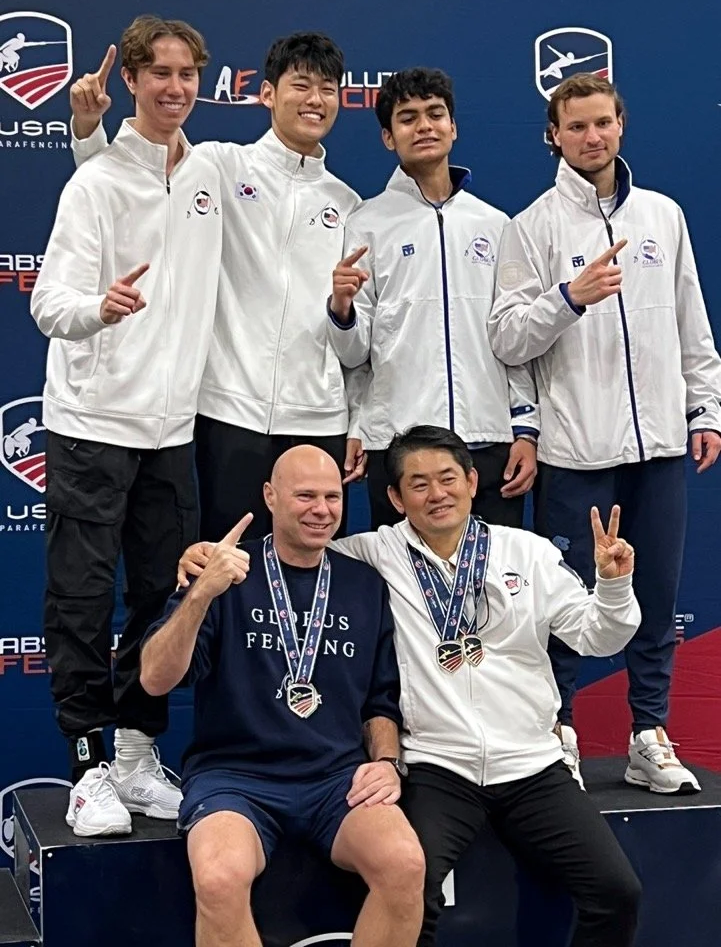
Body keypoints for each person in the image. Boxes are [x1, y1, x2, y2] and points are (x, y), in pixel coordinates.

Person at [179, 425, 643, 947]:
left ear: (472, 482)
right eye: (418, 484)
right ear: (396, 498)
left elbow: (597, 635)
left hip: (531, 764)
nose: (436, 494)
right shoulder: (371, 554)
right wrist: (199, 559)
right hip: (438, 765)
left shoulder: (527, 552)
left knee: (618, 892)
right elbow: (294, 547)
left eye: (447, 479)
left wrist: (613, 583)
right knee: (411, 889)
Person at [488, 72, 721, 792]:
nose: (591, 137)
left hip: (656, 448)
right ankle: (555, 733)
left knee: (652, 595)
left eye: (602, 123)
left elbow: (690, 319)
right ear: (552, 137)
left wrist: (704, 408)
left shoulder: (662, 215)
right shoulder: (530, 227)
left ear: (620, 126)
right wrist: (568, 298)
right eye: (576, 126)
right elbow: (504, 339)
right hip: (573, 451)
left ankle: (647, 733)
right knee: (564, 604)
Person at [30, 15, 222, 836]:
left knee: (157, 597)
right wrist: (98, 310)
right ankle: (84, 766)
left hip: (171, 431)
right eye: (160, 74)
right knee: (80, 601)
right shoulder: (96, 183)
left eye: (188, 74)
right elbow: (47, 302)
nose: (175, 87)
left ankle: (139, 758)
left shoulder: (212, 174)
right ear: (134, 81)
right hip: (91, 423)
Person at [69, 32, 366, 541]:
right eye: (300, 85)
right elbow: (119, 185)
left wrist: (342, 314)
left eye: (327, 89)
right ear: (268, 94)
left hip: (318, 416)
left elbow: (354, 344)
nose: (315, 100)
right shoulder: (219, 165)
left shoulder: (348, 202)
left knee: (313, 566)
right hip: (227, 410)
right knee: (222, 567)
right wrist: (88, 128)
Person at [142, 445, 425, 947]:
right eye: (305, 496)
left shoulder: (364, 584)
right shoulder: (224, 573)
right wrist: (200, 594)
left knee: (404, 863)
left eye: (332, 496)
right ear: (270, 496)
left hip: (335, 779)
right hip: (235, 779)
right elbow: (154, 679)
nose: (321, 509)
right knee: (219, 878)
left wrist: (387, 761)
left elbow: (380, 701)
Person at [326, 68, 538, 530]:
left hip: (488, 442)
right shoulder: (365, 223)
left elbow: (513, 340)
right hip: (401, 447)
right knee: (406, 594)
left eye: (435, 114)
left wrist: (524, 429)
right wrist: (341, 308)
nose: (424, 126)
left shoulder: (496, 224)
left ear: (453, 127)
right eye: (408, 118)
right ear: (388, 137)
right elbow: (356, 354)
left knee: (498, 591)